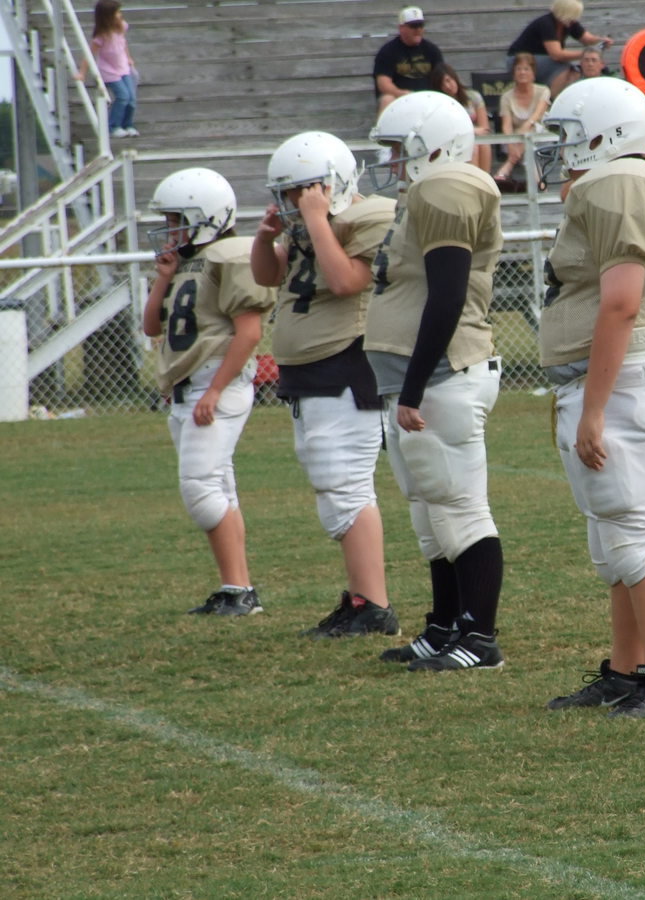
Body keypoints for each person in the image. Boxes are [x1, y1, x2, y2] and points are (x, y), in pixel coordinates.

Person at [537, 78, 645, 718]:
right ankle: (629, 670)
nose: (559, 150)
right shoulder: (616, 183)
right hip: (615, 377)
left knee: (632, 529)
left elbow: (622, 301)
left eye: (568, 135)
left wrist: (594, 407)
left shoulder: (619, 182)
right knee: (613, 538)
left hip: (621, 379)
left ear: (604, 134)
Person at [364, 93, 507, 672]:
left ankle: (480, 638)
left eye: (400, 150)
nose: (394, 163)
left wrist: (417, 385)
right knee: (429, 512)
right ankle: (446, 626)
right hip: (416, 379)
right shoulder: (422, 192)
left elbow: (447, 294)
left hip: (444, 375)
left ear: (432, 145)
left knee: (460, 508)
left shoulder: (447, 186)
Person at [251, 131, 400, 638]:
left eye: (305, 190)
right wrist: (265, 237)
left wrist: (316, 221)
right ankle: (361, 598)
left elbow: (346, 281)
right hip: (311, 367)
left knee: (346, 483)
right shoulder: (307, 224)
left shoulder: (370, 215)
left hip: (347, 361)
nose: (296, 202)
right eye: (289, 193)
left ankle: (372, 603)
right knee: (329, 482)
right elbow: (269, 276)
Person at [143, 168, 276, 616]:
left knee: (200, 489)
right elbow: (151, 327)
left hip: (214, 381)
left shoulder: (232, 254)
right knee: (219, 486)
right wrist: (164, 276)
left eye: (179, 219)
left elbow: (250, 331)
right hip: (187, 387)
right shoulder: (187, 262)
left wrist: (215, 390)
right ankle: (237, 589)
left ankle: (240, 590)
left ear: (208, 217)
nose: (171, 229)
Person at [507, 0, 614, 97]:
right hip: (520, 59)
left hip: (543, 59)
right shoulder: (546, 24)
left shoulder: (569, 23)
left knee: (574, 72)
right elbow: (556, 55)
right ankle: (552, 101)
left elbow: (587, 39)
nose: (575, 19)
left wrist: (601, 40)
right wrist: (584, 54)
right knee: (565, 69)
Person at [74, 0, 138, 138]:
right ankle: (114, 126)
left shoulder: (122, 27)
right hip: (109, 71)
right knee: (123, 96)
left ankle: (128, 124)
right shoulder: (101, 37)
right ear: (108, 16)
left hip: (123, 67)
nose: (120, 15)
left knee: (131, 98)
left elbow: (123, 44)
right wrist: (82, 73)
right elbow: (90, 55)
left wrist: (128, 57)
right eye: (117, 13)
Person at [373, 6, 443, 114]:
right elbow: (383, 84)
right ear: (401, 28)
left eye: (421, 25)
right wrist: (403, 94)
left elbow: (442, 77)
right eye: (413, 26)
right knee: (387, 99)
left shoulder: (432, 50)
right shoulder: (387, 51)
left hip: (429, 98)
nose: (418, 30)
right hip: (400, 99)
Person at [494, 53, 551, 186]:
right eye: (519, 69)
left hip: (540, 136)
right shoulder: (506, 97)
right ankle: (539, 184)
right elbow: (506, 126)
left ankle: (509, 164)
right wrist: (511, 144)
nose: (522, 72)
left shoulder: (543, 91)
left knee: (531, 129)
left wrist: (525, 128)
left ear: (533, 73)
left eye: (526, 69)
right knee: (527, 143)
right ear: (514, 73)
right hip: (515, 140)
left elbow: (536, 116)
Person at [431, 61, 492, 173]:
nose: (448, 86)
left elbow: (484, 128)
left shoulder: (473, 96)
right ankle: (473, 184)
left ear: (455, 77)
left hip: (475, 138)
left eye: (449, 80)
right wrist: (471, 131)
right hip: (453, 141)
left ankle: (486, 182)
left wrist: (473, 132)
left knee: (484, 145)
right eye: (443, 84)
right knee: (472, 148)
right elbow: (446, 130)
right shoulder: (440, 104)